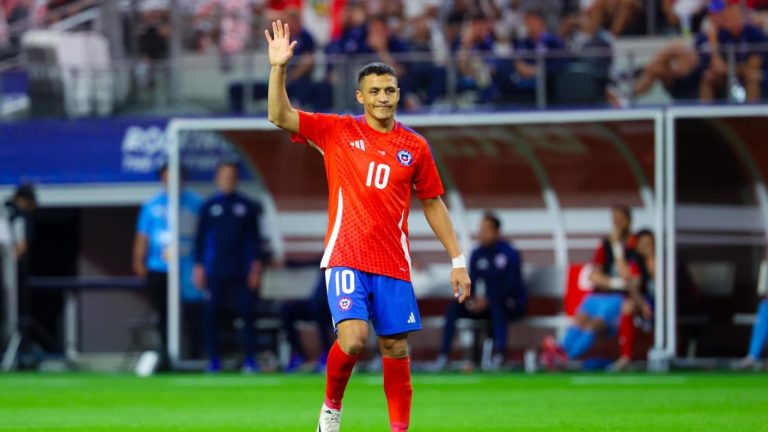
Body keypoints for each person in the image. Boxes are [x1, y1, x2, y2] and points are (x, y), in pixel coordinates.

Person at [265, 20, 472, 432]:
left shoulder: (415, 146)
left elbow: (433, 203)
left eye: (389, 90)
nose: (383, 98)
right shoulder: (338, 131)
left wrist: (458, 259)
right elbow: (279, 115)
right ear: (360, 96)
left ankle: (399, 429)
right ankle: (331, 411)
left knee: (395, 346)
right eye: (374, 91)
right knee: (355, 339)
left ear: (398, 95)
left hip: (392, 262)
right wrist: (279, 68)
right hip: (345, 256)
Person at [540, 205, 636, 366]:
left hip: (620, 297)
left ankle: (564, 358)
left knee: (594, 323)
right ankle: (560, 351)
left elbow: (627, 274)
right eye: (615, 220)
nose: (617, 224)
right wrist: (616, 283)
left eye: (621, 220)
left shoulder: (633, 245)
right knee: (580, 319)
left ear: (629, 221)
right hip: (599, 295)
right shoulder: (605, 245)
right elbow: (594, 275)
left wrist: (617, 248)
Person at [193, 162, 266, 373]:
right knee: (211, 314)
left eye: (231, 176)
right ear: (217, 178)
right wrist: (199, 266)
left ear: (237, 178)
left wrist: (255, 268)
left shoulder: (247, 206)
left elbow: (255, 240)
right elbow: (200, 239)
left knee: (247, 313)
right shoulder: (208, 207)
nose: (227, 179)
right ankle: (214, 359)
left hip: (242, 271)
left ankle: (250, 360)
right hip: (215, 270)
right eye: (224, 176)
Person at [432, 212, 527, 371]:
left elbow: (514, 286)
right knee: (454, 307)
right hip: (485, 305)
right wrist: (471, 300)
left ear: (497, 231)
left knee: (497, 308)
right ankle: (443, 356)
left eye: (486, 229)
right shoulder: (478, 253)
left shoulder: (510, 253)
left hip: (507, 304)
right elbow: (473, 282)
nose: (481, 233)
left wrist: (488, 300)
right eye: (480, 229)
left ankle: (499, 356)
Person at [132, 164, 203, 369]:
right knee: (163, 314)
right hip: (159, 268)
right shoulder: (152, 205)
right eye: (167, 176)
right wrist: (139, 261)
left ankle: (194, 356)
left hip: (188, 267)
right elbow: (142, 235)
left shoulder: (196, 203)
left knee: (193, 312)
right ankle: (167, 356)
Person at [699, 3, 768, 102]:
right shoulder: (722, 34)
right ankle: (705, 115)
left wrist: (727, 68)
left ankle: (750, 115)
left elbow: (753, 65)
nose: (732, 21)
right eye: (729, 17)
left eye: (735, 16)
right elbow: (716, 65)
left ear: (743, 17)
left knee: (752, 77)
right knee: (708, 77)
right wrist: (713, 38)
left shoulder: (754, 34)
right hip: (728, 74)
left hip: (753, 74)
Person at [611, 229, 655, 371]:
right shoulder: (636, 262)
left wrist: (653, 258)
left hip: (671, 303)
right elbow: (634, 285)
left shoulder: (667, 258)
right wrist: (642, 305)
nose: (647, 247)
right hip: (648, 302)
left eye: (650, 243)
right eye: (643, 244)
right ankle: (626, 356)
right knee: (628, 306)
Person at [279, 269, 333, 372]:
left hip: (336, 306)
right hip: (316, 302)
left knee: (319, 306)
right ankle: (298, 355)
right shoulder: (327, 262)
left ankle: (328, 355)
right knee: (286, 310)